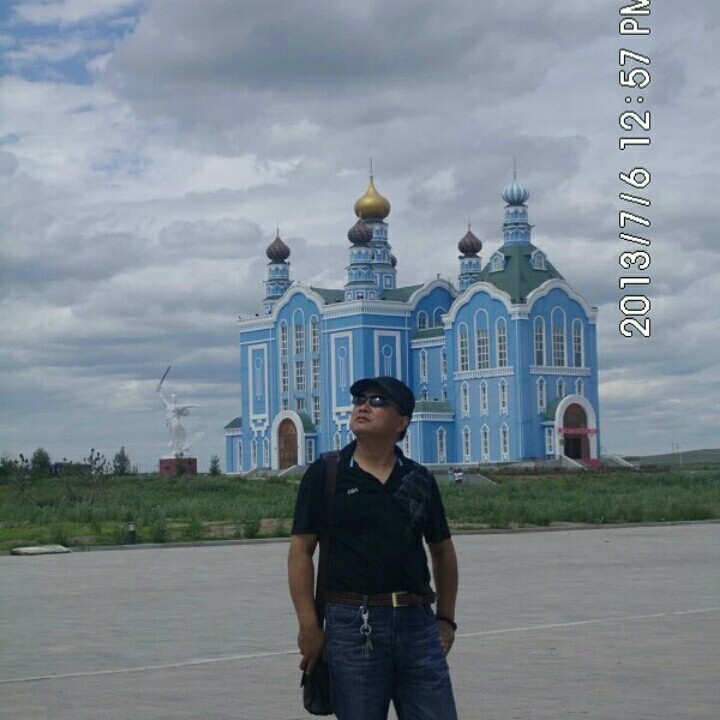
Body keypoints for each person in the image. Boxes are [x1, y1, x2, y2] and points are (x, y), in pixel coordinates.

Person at [288, 376, 459, 720]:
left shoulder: (418, 479)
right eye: (359, 400)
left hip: (417, 624)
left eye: (378, 402)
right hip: (353, 625)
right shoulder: (327, 474)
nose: (363, 407)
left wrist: (445, 619)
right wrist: (309, 625)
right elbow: (300, 552)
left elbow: (442, 551)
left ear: (401, 422)